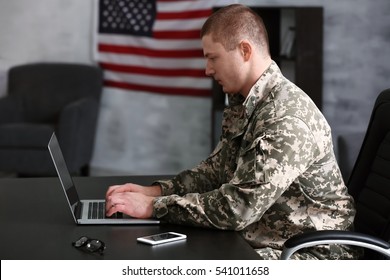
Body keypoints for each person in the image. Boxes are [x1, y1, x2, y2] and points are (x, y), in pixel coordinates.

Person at [105, 4, 358, 260]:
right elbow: (217, 170)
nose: (207, 70)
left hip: (311, 254)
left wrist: (153, 207)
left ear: (244, 50)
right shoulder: (247, 101)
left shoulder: (286, 118)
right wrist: (159, 191)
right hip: (266, 238)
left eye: (212, 57)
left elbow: (238, 208)